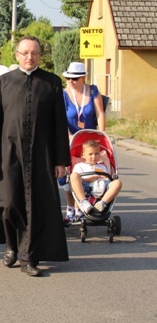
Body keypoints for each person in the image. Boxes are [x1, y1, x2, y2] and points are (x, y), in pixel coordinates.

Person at [0, 36, 70, 277]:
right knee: (9, 204)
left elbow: (59, 124)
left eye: (35, 53)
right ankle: (11, 245)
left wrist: (62, 160)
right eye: (25, 53)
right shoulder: (3, 82)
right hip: (8, 153)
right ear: (17, 55)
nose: (30, 57)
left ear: (40, 56)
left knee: (35, 206)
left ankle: (29, 257)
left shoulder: (51, 82)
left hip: (42, 155)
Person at [62, 62, 107, 220]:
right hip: (71, 138)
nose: (70, 81)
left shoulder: (93, 91)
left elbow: (100, 114)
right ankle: (70, 208)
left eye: (74, 78)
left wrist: (101, 136)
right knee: (68, 174)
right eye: (68, 78)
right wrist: (68, 137)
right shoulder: (64, 94)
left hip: (90, 139)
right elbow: (61, 119)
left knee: (91, 171)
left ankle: (85, 205)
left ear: (83, 78)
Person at [70, 139, 122, 214]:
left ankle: (102, 203)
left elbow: (107, 179)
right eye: (90, 154)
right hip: (85, 186)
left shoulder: (102, 166)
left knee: (117, 182)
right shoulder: (80, 166)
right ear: (83, 154)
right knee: (74, 176)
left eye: (96, 153)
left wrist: (105, 178)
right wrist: (89, 179)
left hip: (101, 185)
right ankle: (83, 201)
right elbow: (77, 180)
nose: (94, 156)